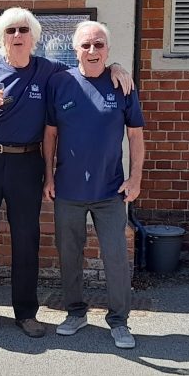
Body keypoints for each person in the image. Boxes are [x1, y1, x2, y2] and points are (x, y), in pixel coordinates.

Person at [0, 7, 132, 338]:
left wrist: (116, 67)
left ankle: (26, 313)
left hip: (26, 162)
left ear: (34, 37)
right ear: (1, 38)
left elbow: (86, 65)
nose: (18, 36)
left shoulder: (50, 71)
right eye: (10, 31)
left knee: (26, 239)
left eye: (24, 30)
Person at [44, 21, 144, 349]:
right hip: (68, 190)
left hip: (110, 190)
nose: (92, 51)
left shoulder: (122, 86)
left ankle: (119, 320)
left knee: (116, 256)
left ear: (108, 50)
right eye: (86, 45)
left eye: (99, 45)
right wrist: (48, 176)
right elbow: (50, 135)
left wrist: (136, 177)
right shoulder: (60, 83)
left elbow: (135, 135)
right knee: (69, 254)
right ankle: (75, 312)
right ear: (75, 50)